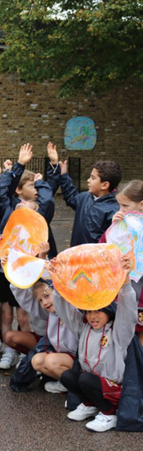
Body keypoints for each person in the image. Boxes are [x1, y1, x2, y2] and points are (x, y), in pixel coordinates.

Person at [0, 145, 56, 370]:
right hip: (6, 267)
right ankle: (7, 348)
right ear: (18, 193)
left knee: (24, 315)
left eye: (37, 188)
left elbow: (49, 201)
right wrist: (17, 167)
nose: (35, 191)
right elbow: (1, 190)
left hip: (31, 269)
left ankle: (21, 351)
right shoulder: (9, 208)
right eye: (31, 186)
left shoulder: (39, 213)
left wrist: (42, 180)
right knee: (6, 313)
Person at [51, 256, 137, 432]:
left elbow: (128, 312)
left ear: (109, 311)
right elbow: (65, 310)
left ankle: (109, 413)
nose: (93, 316)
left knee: (85, 379)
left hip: (113, 387)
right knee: (68, 376)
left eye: (98, 311)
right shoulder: (84, 327)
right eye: (89, 311)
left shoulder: (118, 331)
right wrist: (57, 283)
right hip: (91, 383)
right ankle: (89, 404)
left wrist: (126, 280)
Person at [100, 179, 143, 346]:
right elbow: (102, 250)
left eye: (125, 206)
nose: (120, 211)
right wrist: (114, 230)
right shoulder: (119, 226)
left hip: (139, 293)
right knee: (123, 335)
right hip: (121, 290)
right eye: (119, 206)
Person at [49, 158, 122, 246]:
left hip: (96, 257)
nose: (88, 180)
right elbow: (71, 196)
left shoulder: (115, 210)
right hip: (76, 254)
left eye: (93, 178)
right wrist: (64, 176)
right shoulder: (85, 197)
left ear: (105, 185)